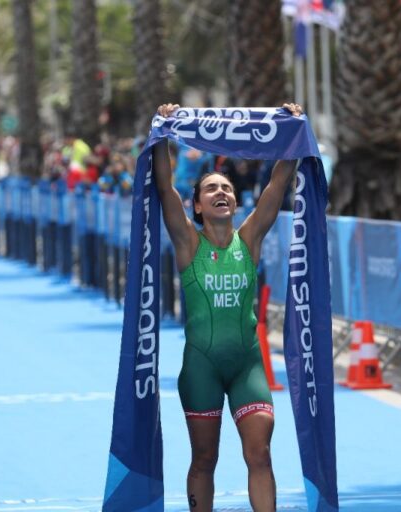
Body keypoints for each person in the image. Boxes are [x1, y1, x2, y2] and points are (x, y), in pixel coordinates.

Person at [153, 102, 302, 512]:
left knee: (260, 452)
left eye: (226, 188)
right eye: (211, 189)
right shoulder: (188, 243)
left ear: (234, 202)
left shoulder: (249, 238)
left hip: (246, 366)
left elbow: (276, 186)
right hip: (201, 366)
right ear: (197, 206)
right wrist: (163, 133)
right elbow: (165, 188)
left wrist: (291, 131)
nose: (221, 192)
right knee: (205, 459)